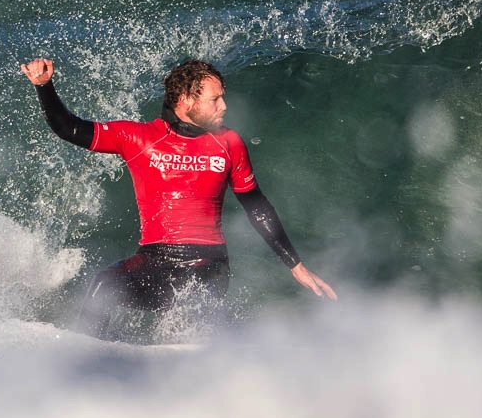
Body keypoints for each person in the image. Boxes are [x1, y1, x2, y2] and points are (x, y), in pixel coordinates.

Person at [21, 57, 336, 340]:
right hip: (154, 258)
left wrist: (295, 264)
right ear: (186, 101)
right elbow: (68, 128)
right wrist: (44, 87)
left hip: (208, 262)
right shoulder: (139, 137)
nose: (224, 106)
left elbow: (255, 205)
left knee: (191, 298)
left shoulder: (229, 143)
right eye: (215, 99)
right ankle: (89, 368)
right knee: (105, 285)